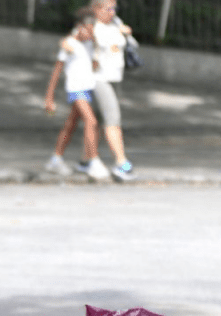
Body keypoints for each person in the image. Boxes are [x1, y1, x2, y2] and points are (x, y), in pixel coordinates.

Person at [43, 9, 111, 181]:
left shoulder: (89, 45)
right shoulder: (69, 44)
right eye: (87, 29)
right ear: (79, 27)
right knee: (91, 121)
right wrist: (49, 98)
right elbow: (56, 72)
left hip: (86, 89)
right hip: (75, 89)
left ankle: (55, 159)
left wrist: (95, 45)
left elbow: (95, 66)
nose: (90, 32)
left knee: (71, 124)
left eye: (92, 29)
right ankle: (93, 161)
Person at [90, 0, 135, 181]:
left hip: (115, 78)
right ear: (96, 9)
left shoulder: (116, 22)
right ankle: (121, 162)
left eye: (114, 8)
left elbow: (131, 46)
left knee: (95, 121)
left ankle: (88, 159)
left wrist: (127, 33)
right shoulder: (93, 27)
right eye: (108, 8)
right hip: (99, 79)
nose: (112, 12)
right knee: (112, 119)